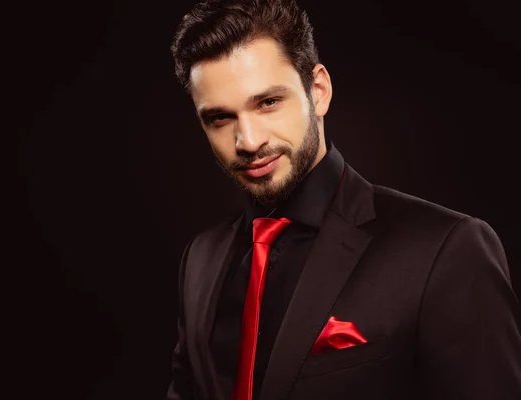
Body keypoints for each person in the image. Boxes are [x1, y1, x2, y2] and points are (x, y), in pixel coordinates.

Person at [166, 1, 521, 399]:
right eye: (219, 118)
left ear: (318, 91)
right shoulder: (200, 260)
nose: (248, 141)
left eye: (268, 102)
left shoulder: (446, 250)